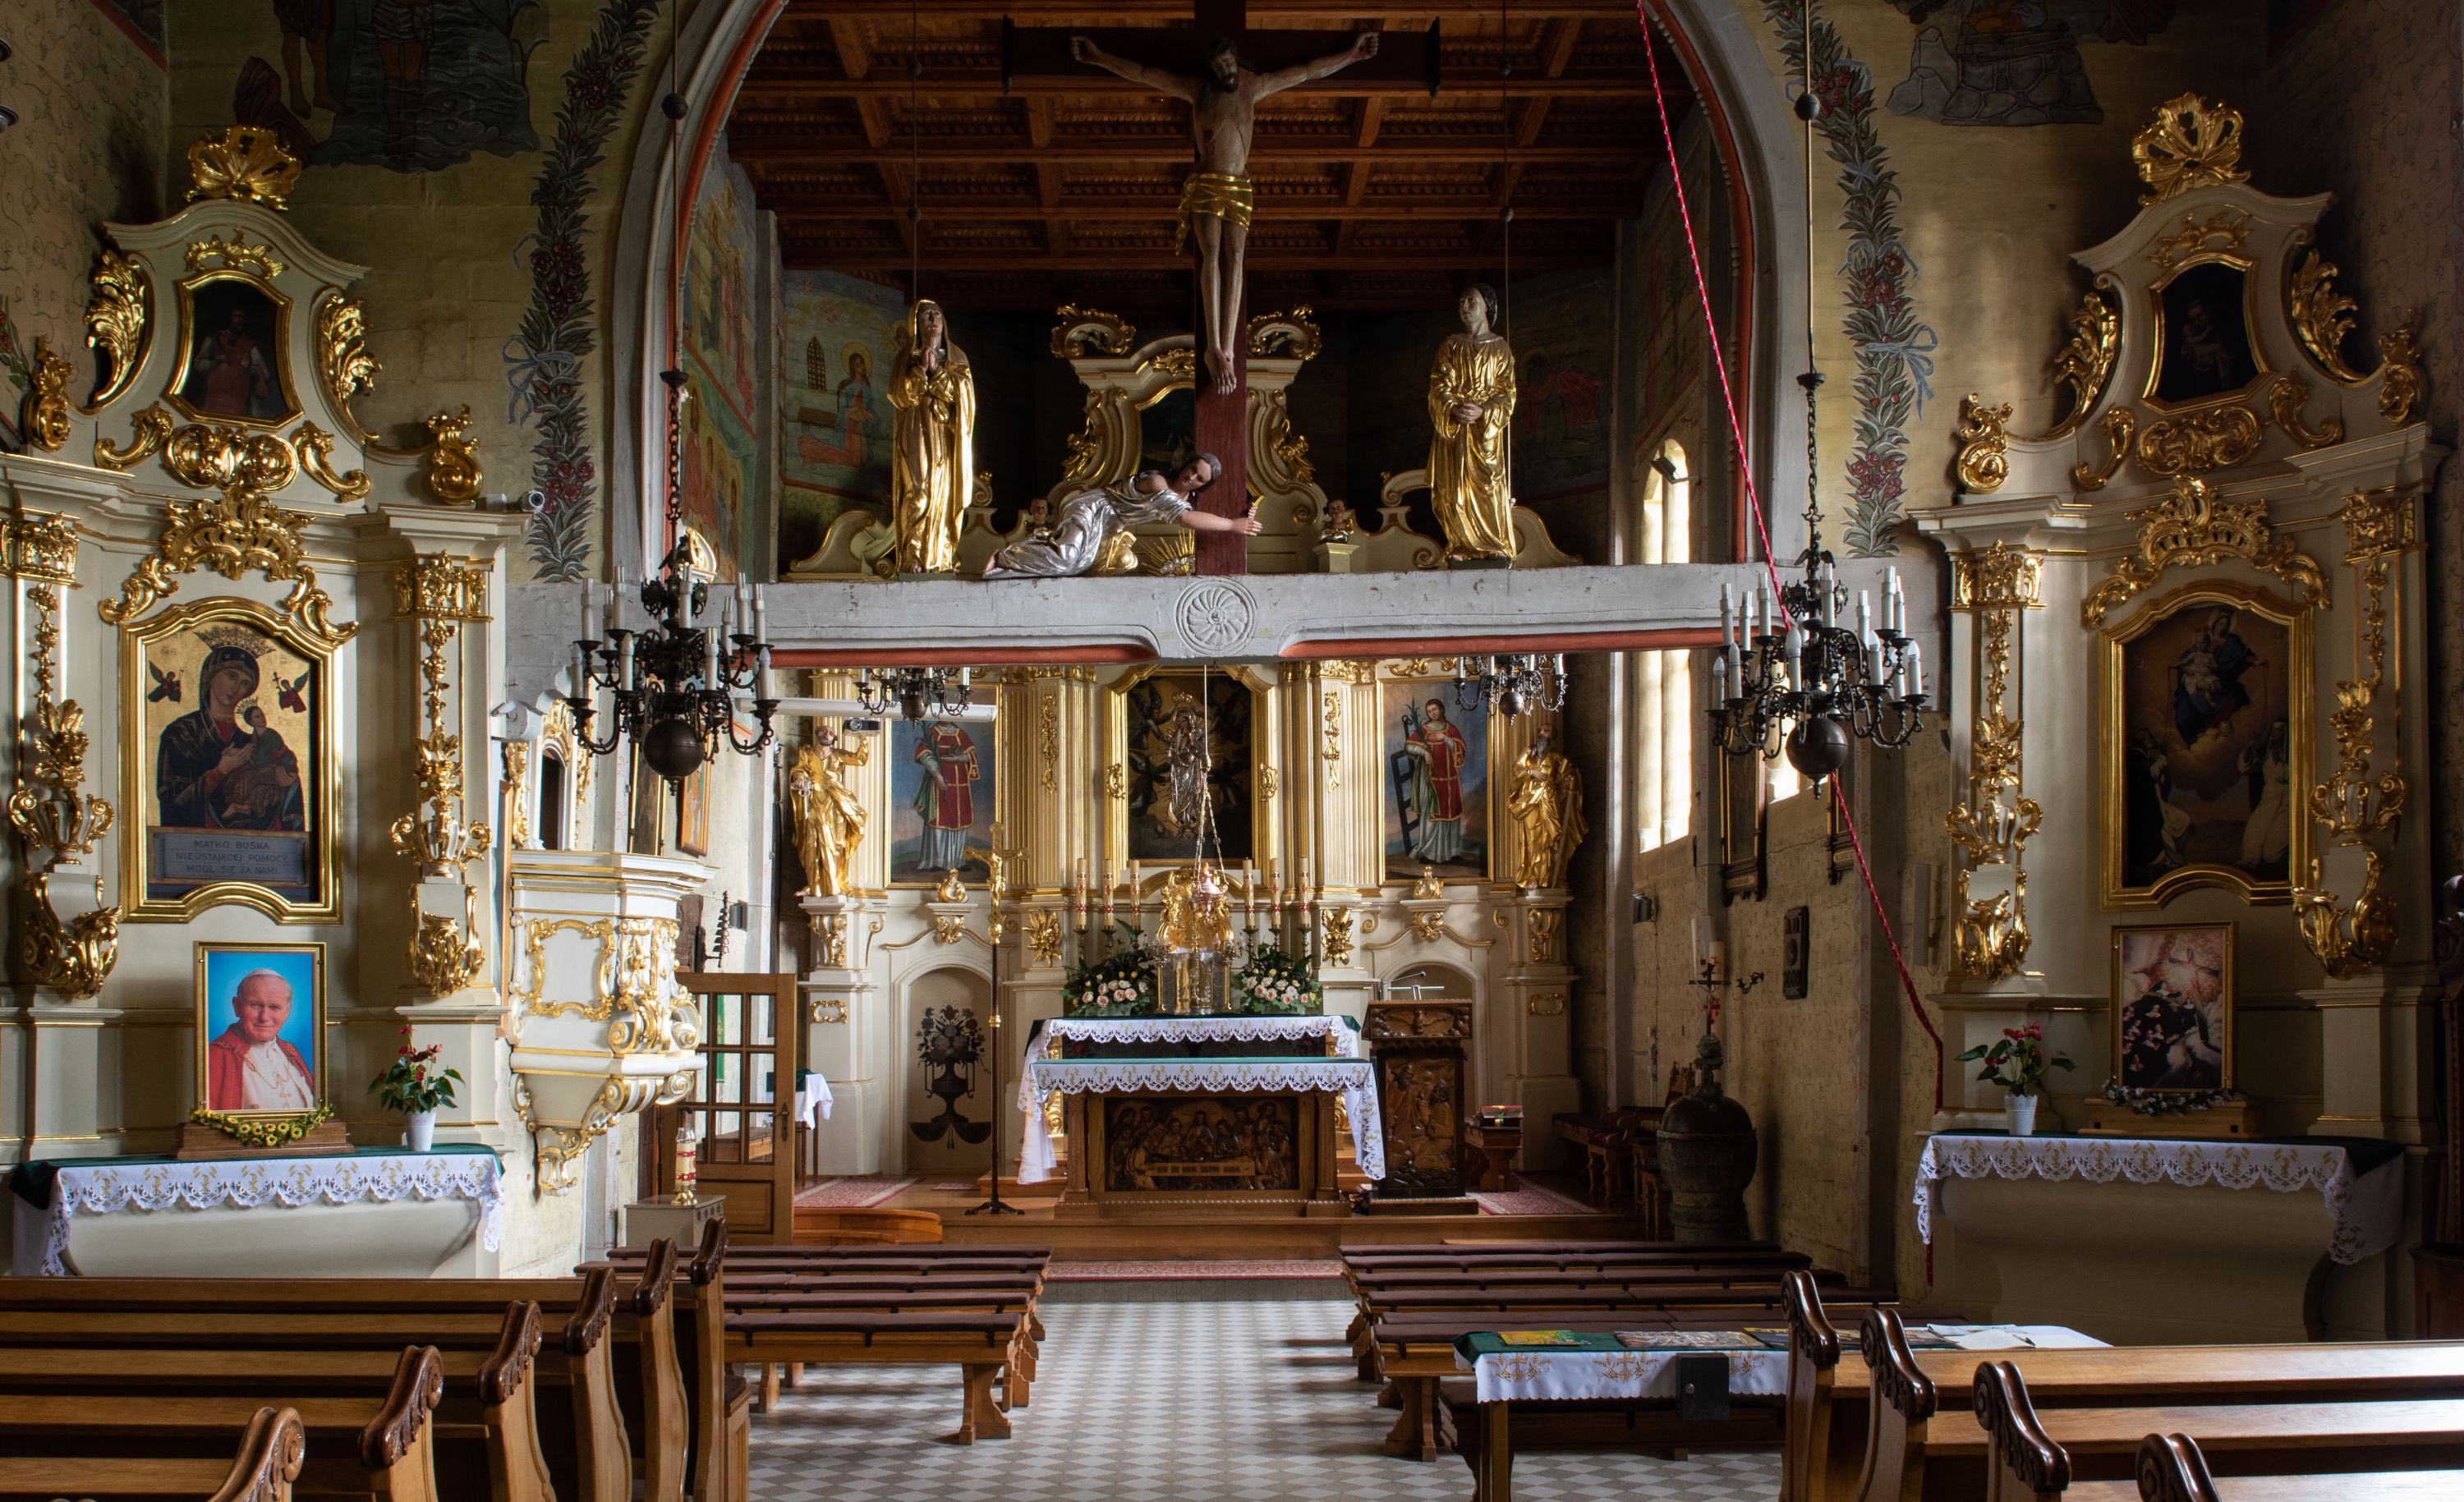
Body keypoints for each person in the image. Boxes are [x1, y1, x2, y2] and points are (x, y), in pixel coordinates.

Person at [1071, 30, 1380, 393]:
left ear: (1237, 61)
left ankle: (1228, 348)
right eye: (1219, 67)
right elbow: (1143, 73)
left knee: (1235, 258)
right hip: (1207, 182)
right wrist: (1099, 57)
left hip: (1239, 185)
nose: (1226, 71)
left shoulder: (1253, 86)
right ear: (1212, 70)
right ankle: (1214, 347)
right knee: (1212, 256)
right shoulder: (1198, 90)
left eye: (1229, 63)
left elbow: (1307, 71)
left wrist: (1351, 56)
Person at [982, 454, 1259, 579]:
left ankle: (1023, 557)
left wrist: (1245, 511)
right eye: (1192, 469)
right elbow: (1187, 520)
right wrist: (1233, 525)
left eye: (1200, 478)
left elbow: (1203, 514)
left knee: (1083, 566)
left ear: (1203, 486)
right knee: (1068, 559)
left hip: (1109, 525)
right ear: (1185, 464)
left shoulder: (1187, 500)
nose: (1192, 477)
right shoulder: (1158, 483)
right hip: (1093, 508)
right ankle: (1006, 557)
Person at [157, 639, 306, 833]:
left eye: (245, 683)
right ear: (210, 675)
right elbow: (172, 799)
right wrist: (221, 771)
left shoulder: (252, 739)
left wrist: (288, 784)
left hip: (250, 842)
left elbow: (277, 778)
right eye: (232, 676)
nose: (236, 688)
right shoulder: (182, 733)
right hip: (197, 842)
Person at [1426, 283, 1518, 562]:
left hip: (1484, 432)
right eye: (1461, 302)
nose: (1464, 307)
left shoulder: (1500, 348)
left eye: (1471, 301)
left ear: (1487, 306)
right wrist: (1453, 408)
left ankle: (1494, 544)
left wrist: (1483, 410)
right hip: (1454, 429)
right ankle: (1460, 545)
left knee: (1488, 484)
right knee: (1453, 488)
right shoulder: (1451, 346)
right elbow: (1438, 384)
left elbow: (1507, 393)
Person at [887, 300, 975, 575]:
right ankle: (912, 554)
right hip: (916, 426)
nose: (933, 319)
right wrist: (920, 371)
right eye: (926, 315)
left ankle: (942, 556)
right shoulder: (906, 357)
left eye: (937, 314)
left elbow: (964, 398)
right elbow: (899, 396)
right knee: (919, 489)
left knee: (944, 492)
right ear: (916, 323)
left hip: (945, 433)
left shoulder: (957, 357)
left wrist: (937, 371)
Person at [206, 969, 318, 1113]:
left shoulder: (291, 1052)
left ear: (287, 1011)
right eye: (255, 1005)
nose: (264, 1017)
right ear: (237, 1006)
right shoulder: (214, 1055)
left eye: (275, 1007)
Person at [1508, 725, 1587, 890]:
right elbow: (1517, 768)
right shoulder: (1529, 752)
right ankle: (1534, 877)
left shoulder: (1556, 757)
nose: (1541, 734)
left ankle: (1553, 877)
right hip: (1530, 800)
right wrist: (1531, 773)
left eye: (1546, 731)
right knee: (1533, 837)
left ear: (1553, 736)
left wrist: (1571, 779)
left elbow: (1567, 776)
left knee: (1554, 836)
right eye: (1540, 731)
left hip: (1550, 799)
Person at [1399, 699, 1471, 864]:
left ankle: (1451, 853)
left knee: (1452, 814)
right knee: (1432, 814)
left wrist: (1446, 739)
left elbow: (1461, 749)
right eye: (1429, 711)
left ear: (1442, 709)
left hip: (1450, 779)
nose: (1432, 713)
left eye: (1435, 709)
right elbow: (1409, 746)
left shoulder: (1450, 729)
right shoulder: (1424, 729)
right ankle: (1430, 853)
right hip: (1430, 779)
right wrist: (1425, 753)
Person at [911, 718, 980, 872]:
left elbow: (972, 753)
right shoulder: (933, 732)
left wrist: (960, 758)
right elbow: (924, 754)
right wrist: (937, 775)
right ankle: (937, 861)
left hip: (961, 786)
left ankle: (957, 860)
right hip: (940, 785)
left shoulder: (961, 734)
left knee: (959, 819)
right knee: (939, 819)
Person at [188, 306, 279, 420]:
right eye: (238, 316)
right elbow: (198, 364)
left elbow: (264, 372)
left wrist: (249, 366)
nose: (241, 320)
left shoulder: (249, 343)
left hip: (238, 397)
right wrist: (215, 362)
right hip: (215, 395)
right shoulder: (215, 339)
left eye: (244, 318)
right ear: (229, 318)